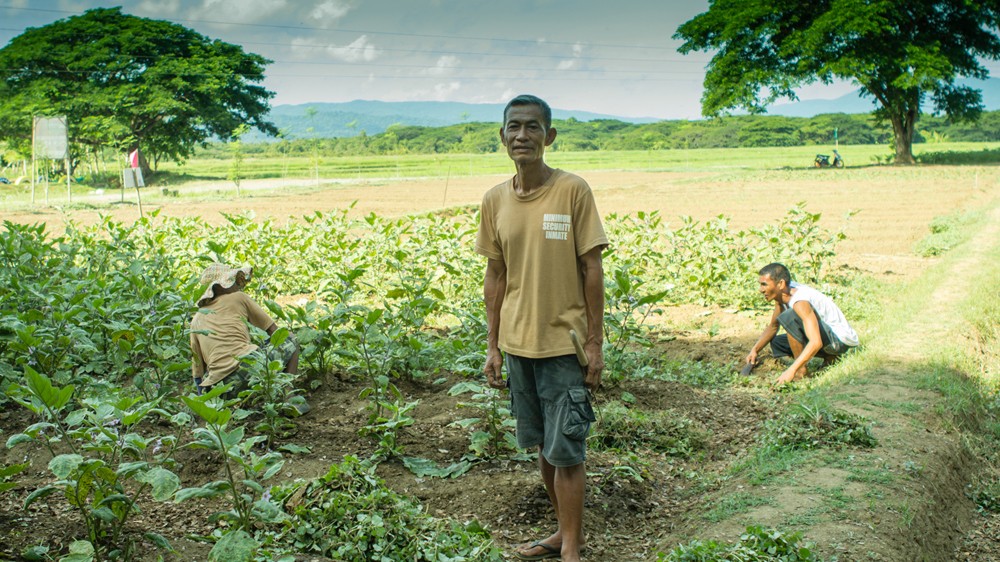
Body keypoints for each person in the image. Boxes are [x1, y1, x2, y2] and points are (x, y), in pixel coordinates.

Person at [477, 94, 609, 562]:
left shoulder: (573, 190)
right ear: (502, 137)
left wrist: (594, 341)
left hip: (563, 344)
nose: (522, 136)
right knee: (541, 446)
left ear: (549, 137)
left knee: (567, 449)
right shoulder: (495, 200)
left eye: (533, 127)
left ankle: (572, 547)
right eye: (514, 127)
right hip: (518, 344)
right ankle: (561, 534)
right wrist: (493, 346)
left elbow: (591, 269)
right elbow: (496, 276)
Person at [190, 263, 300, 400]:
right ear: (221, 287)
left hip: (222, 389)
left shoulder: (195, 320)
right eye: (232, 281)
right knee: (290, 339)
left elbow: (198, 372)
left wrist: (204, 400)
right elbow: (276, 334)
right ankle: (288, 395)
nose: (237, 285)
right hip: (249, 371)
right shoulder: (238, 297)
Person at [744, 262, 859, 385]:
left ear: (780, 284)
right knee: (777, 343)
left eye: (764, 285)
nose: (761, 290)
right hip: (827, 337)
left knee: (789, 317)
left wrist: (792, 369)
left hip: (838, 341)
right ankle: (830, 358)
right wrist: (755, 350)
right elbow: (773, 326)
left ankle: (801, 371)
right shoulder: (782, 294)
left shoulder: (800, 301)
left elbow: (816, 342)